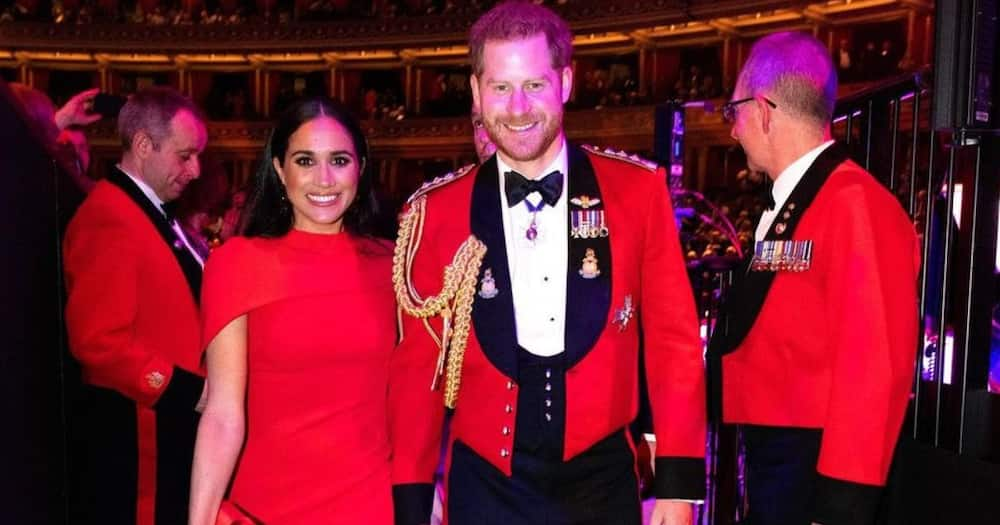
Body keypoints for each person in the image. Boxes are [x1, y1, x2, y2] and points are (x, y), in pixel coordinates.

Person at [390, 3, 706, 525]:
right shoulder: (433, 213)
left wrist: (677, 486)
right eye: (499, 88)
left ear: (565, 81)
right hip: (484, 487)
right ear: (475, 91)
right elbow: (416, 378)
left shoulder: (636, 192)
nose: (516, 108)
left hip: (603, 483)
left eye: (534, 85)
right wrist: (414, 495)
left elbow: (673, 346)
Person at [706, 31, 919, 525]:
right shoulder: (807, 200)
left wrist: (841, 506)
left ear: (762, 110)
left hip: (816, 473)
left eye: (732, 112)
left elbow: (875, 368)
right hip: (776, 462)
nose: (733, 132)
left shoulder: (854, 204)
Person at [189, 96, 395, 525]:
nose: (324, 179)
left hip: (371, 508)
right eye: (305, 160)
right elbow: (223, 413)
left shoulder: (395, 264)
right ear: (280, 170)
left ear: (361, 166)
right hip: (264, 509)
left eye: (339, 160)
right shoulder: (236, 263)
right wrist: (200, 519)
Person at [63, 86, 208, 525]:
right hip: (141, 428)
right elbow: (98, 343)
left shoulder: (150, 211)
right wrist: (189, 390)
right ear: (144, 145)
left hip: (168, 424)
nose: (196, 170)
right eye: (185, 156)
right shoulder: (110, 216)